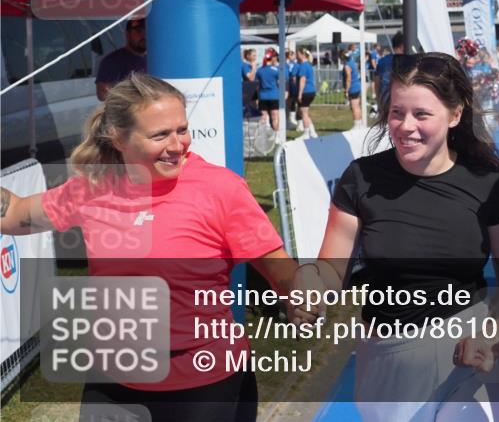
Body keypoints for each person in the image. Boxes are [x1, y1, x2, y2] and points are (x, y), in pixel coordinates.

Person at [0, 74, 316, 421]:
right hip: (113, 382)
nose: (178, 144)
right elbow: (14, 214)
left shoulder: (220, 189)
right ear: (118, 139)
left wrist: (296, 296)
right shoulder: (93, 187)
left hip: (203, 384)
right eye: (160, 135)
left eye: (182, 129)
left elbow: (276, 265)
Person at [314, 52, 499, 422]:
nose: (405, 126)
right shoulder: (360, 178)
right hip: (384, 358)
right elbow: (330, 270)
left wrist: (495, 335)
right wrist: (309, 287)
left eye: (421, 114)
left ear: (455, 115)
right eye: (397, 112)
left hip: (465, 351)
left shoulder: (486, 185)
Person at [96, 17, 147, 100]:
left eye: (147, 31)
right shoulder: (112, 60)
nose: (144, 35)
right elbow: (102, 93)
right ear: (127, 34)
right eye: (139, 31)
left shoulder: (156, 60)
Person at [374, 32, 406, 109]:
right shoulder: (408, 61)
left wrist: (379, 100)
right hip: (400, 101)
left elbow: (377, 82)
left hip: (385, 101)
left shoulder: (383, 61)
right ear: (402, 46)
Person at [256, 49, 282, 132]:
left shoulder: (259, 70)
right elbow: (281, 81)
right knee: (275, 116)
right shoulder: (276, 70)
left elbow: (257, 83)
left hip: (263, 96)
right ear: (272, 59)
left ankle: (266, 134)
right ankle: (276, 135)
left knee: (264, 116)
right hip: (273, 95)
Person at [295, 47, 318, 139]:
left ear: (302, 54)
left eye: (298, 54)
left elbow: (302, 80)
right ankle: (312, 132)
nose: (297, 55)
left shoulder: (303, 66)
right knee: (304, 112)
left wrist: (300, 93)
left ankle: (306, 133)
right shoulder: (308, 64)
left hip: (306, 91)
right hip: (311, 91)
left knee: (304, 113)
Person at [343, 45, 362, 127]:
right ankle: (360, 123)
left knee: (354, 107)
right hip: (357, 86)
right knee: (357, 106)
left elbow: (348, 78)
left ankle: (356, 124)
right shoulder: (352, 62)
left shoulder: (347, 65)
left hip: (353, 87)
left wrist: (346, 90)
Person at [241, 48, 259, 117]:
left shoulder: (252, 65)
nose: (255, 57)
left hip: (254, 89)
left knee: (255, 107)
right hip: (248, 90)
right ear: (248, 56)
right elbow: (250, 78)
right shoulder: (245, 65)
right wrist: (254, 68)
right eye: (253, 55)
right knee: (250, 108)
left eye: (256, 55)